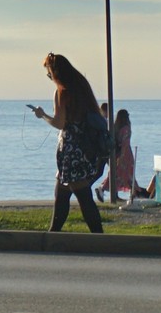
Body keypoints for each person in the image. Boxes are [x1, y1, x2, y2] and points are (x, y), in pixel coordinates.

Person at [29, 52, 106, 233]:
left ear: (55, 72)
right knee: (62, 195)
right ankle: (53, 235)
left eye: (49, 72)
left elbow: (60, 123)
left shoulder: (62, 92)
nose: (49, 76)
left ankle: (99, 237)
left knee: (83, 197)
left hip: (72, 152)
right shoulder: (81, 88)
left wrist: (43, 116)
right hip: (84, 149)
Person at [103, 106, 137, 208]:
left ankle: (111, 192)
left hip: (117, 153)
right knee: (129, 173)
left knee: (117, 174)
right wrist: (122, 156)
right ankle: (133, 194)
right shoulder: (126, 128)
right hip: (125, 154)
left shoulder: (115, 127)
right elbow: (125, 143)